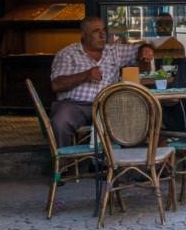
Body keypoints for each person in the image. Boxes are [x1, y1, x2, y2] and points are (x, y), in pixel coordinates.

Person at [49, 18, 150, 146]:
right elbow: (56, 84)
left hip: (107, 105)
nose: (102, 35)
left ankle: (122, 162)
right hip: (75, 106)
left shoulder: (114, 51)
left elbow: (139, 49)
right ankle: (66, 163)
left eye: (104, 30)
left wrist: (146, 50)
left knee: (137, 115)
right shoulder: (68, 54)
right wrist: (86, 75)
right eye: (96, 31)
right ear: (84, 35)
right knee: (61, 121)